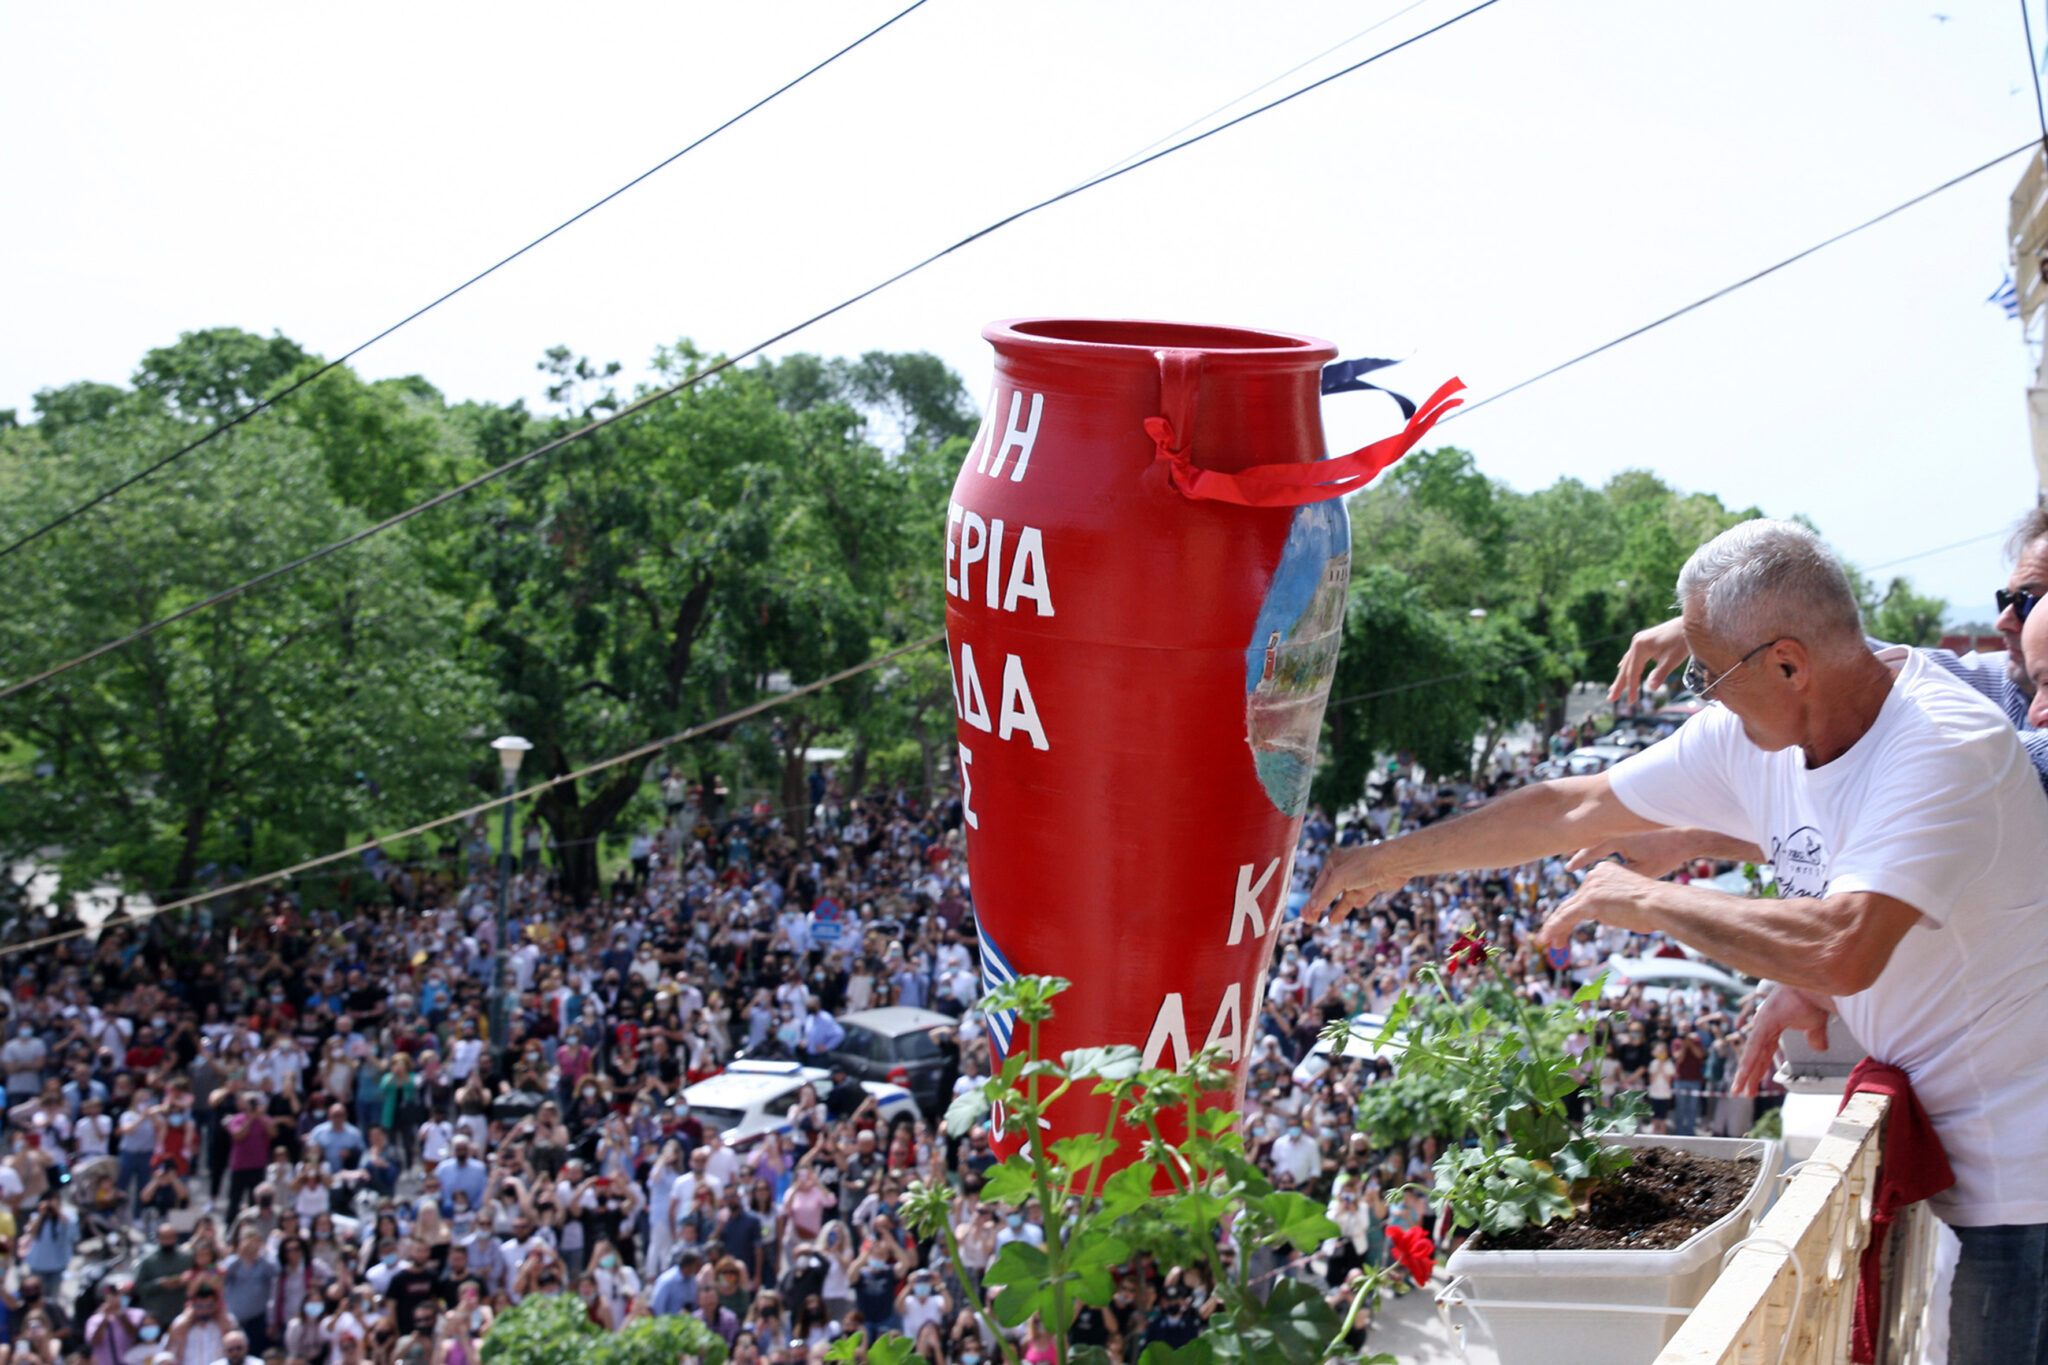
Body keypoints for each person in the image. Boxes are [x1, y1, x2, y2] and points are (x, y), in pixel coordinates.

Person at [1313, 518, 2048, 1365]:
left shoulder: (1941, 744)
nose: (1700, 693)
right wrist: (1390, 860)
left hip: (2022, 1184)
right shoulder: (1760, 730)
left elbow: (1843, 946)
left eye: (1708, 670)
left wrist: (1650, 902)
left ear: (1787, 662)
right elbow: (1572, 806)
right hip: (1963, 1160)